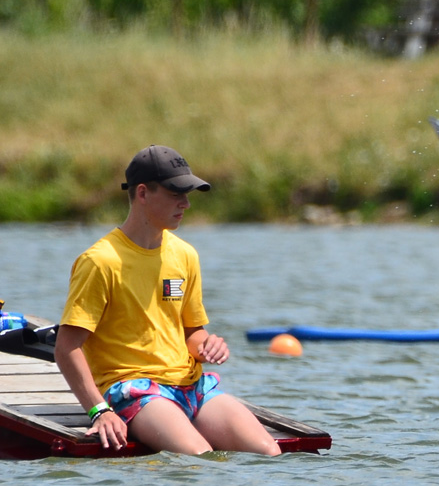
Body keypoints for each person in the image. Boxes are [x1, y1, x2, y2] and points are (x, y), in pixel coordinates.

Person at [54, 145, 280, 455]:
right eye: (176, 194)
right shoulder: (100, 262)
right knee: (202, 458)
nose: (186, 204)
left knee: (270, 453)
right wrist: (99, 411)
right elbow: (67, 348)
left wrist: (206, 344)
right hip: (135, 390)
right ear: (144, 193)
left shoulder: (185, 255)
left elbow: (192, 332)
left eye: (188, 195)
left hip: (192, 388)